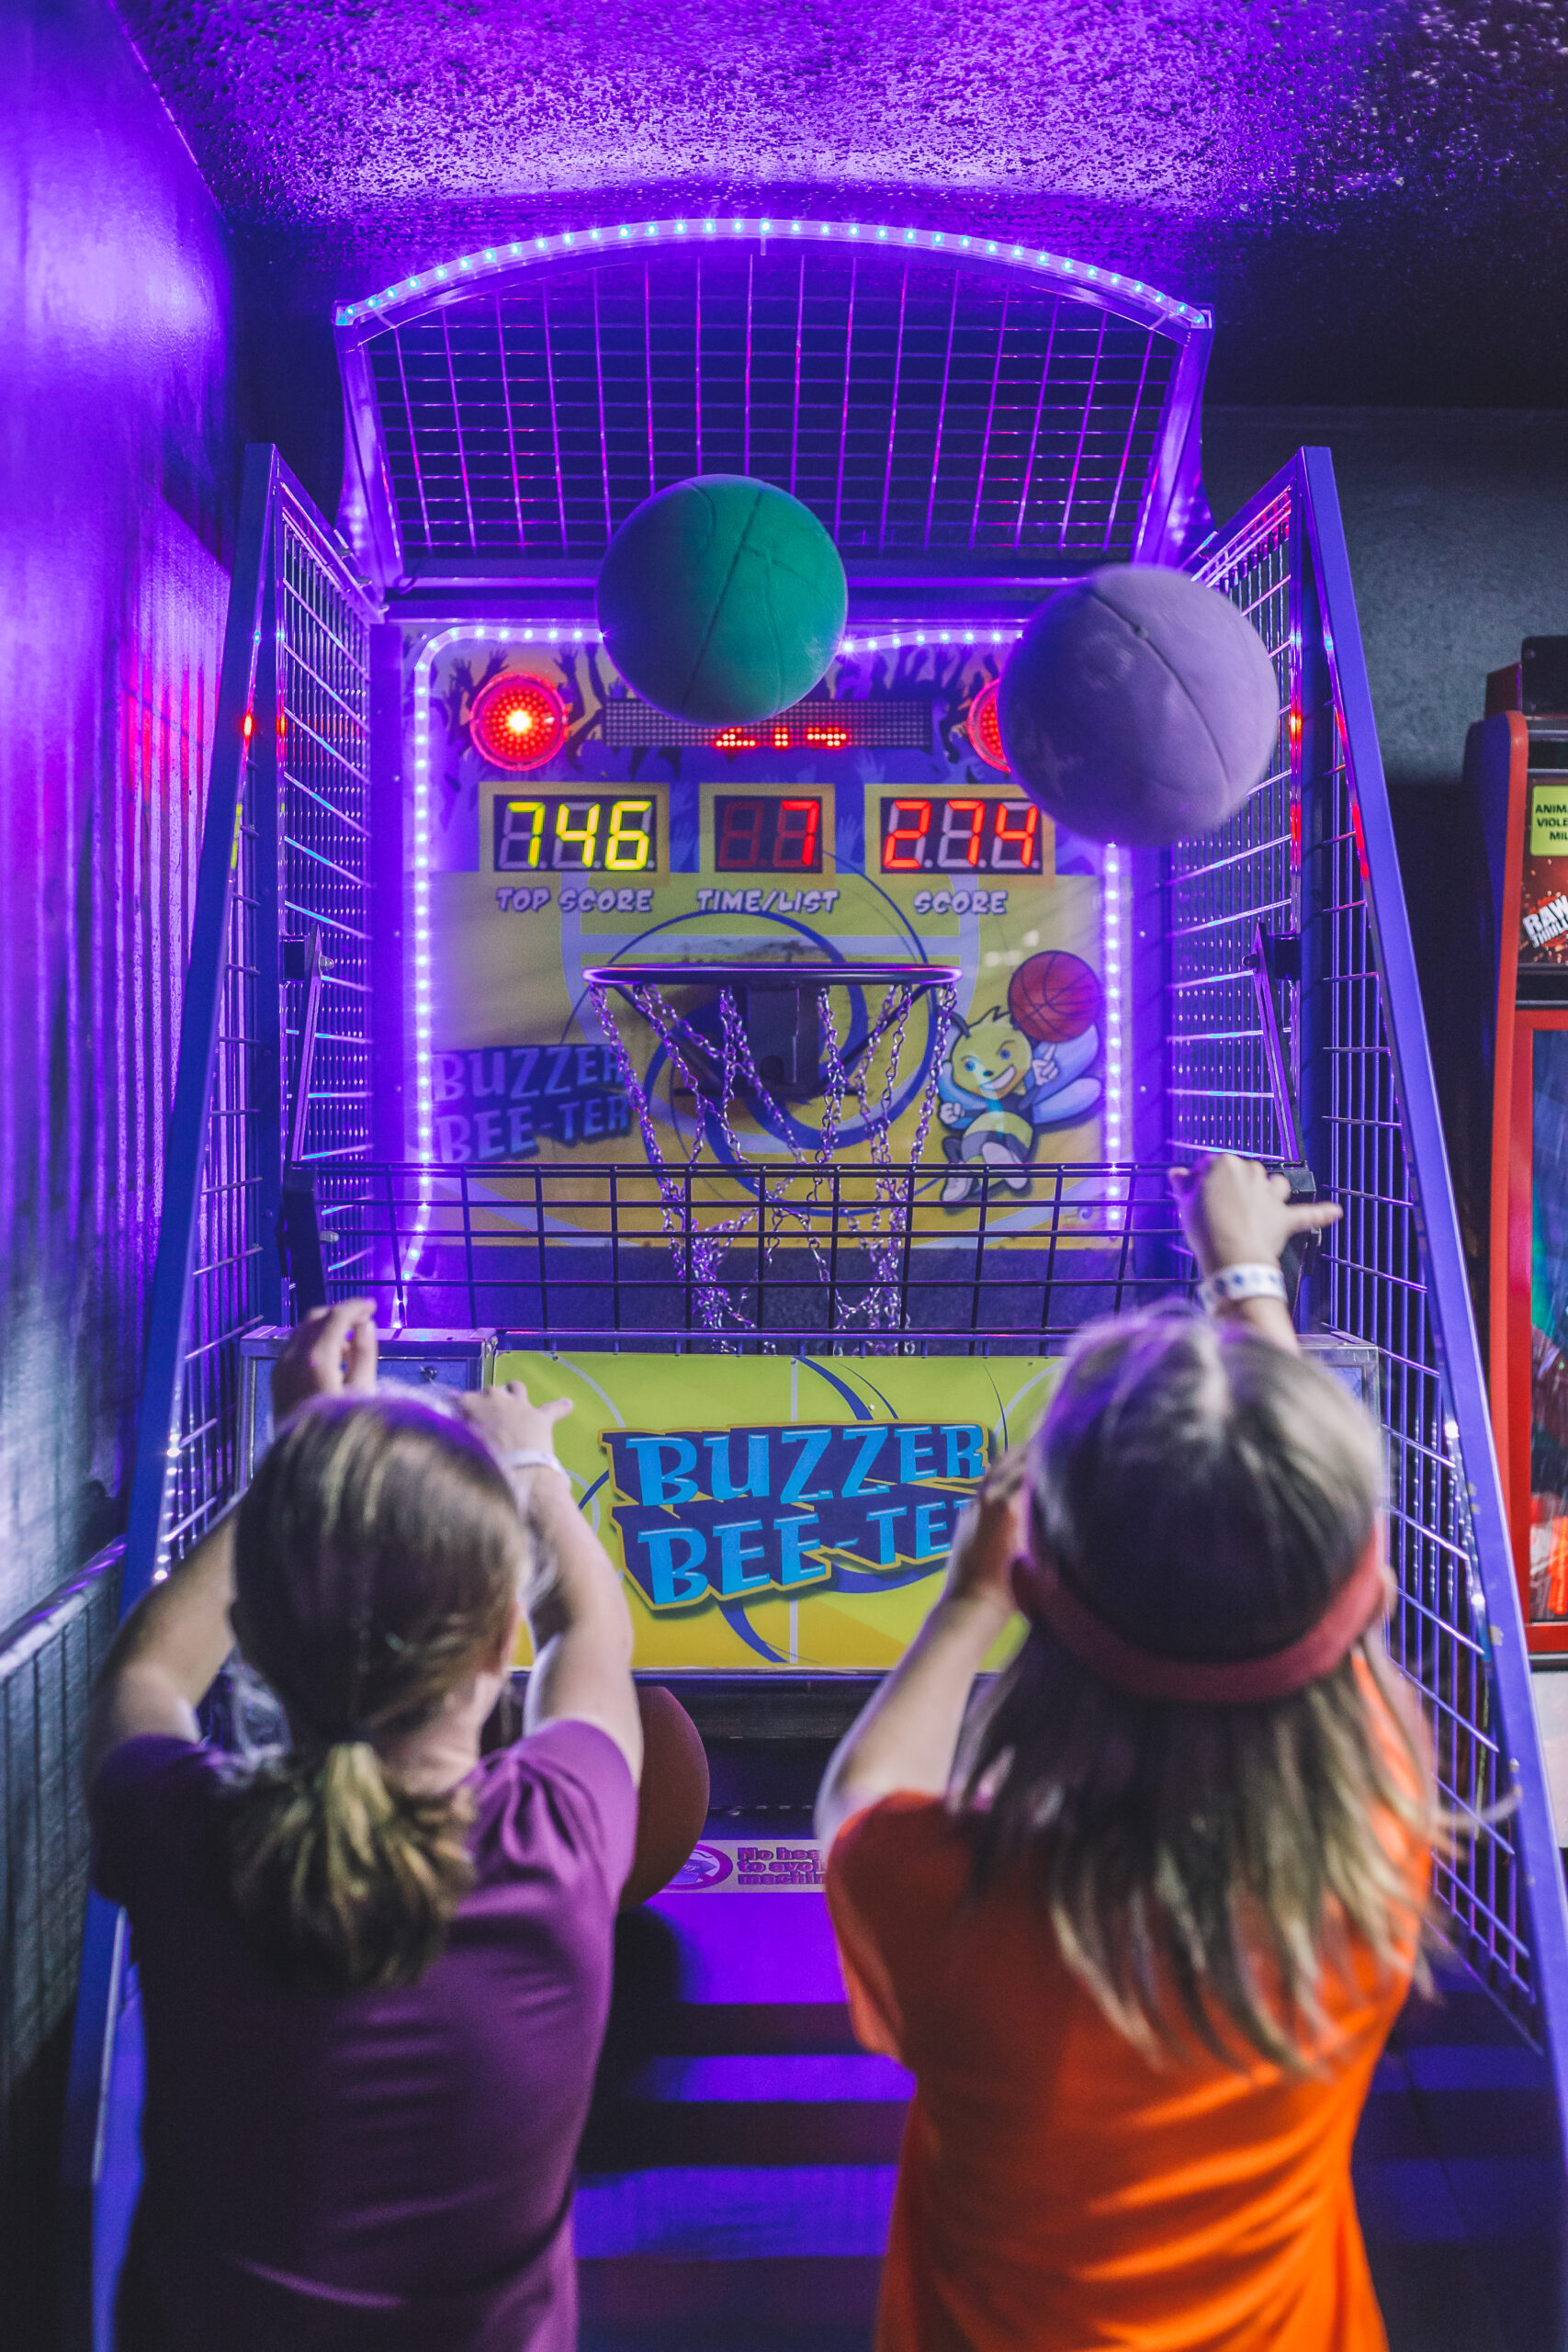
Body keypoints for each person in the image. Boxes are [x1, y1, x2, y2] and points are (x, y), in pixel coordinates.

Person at [818, 1154, 1437, 2352]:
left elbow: (860, 1797)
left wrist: (962, 1603)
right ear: (1353, 1597)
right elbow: (1313, 1562)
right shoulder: (1376, 1828)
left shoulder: (952, 1901)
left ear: (1036, 1581)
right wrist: (1245, 1281)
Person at [85, 1301, 643, 2351]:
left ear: (251, 1636)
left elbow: (149, 1672)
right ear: (494, 1657)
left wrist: (301, 1455)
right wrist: (530, 1467)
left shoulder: (187, 1841)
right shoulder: (560, 1840)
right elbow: (588, 1622)